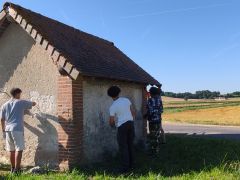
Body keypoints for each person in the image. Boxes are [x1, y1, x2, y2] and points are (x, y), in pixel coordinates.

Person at [0, 88, 36, 174]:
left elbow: (1, 119)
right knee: (19, 149)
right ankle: (17, 169)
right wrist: (32, 102)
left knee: (11, 150)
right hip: (17, 129)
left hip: (8, 130)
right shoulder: (20, 102)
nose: (20, 96)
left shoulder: (4, 105)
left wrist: (3, 131)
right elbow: (33, 104)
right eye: (20, 94)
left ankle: (12, 169)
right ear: (17, 94)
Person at [107, 86, 135, 173]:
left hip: (122, 127)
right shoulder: (126, 100)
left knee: (123, 147)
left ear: (110, 96)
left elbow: (111, 120)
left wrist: (112, 126)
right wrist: (131, 120)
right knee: (130, 144)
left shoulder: (113, 106)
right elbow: (133, 111)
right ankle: (132, 165)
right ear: (119, 92)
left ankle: (125, 167)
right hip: (131, 124)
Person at [145, 86, 166, 153]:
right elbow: (161, 110)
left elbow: (150, 111)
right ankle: (157, 149)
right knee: (157, 135)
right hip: (158, 120)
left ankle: (153, 150)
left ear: (151, 93)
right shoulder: (159, 100)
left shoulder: (150, 100)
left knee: (152, 136)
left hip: (152, 121)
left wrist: (146, 115)